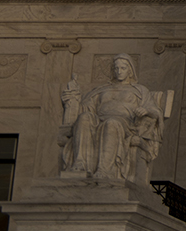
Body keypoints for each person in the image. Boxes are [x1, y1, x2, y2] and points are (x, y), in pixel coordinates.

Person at [58, 53, 166, 182]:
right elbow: (86, 108)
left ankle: (105, 170)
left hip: (126, 124)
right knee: (84, 118)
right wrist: (72, 99)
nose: (119, 71)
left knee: (111, 124)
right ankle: (80, 164)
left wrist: (146, 110)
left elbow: (155, 111)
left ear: (130, 71)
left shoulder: (140, 90)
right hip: (99, 119)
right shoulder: (102, 89)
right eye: (116, 68)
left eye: (123, 68)